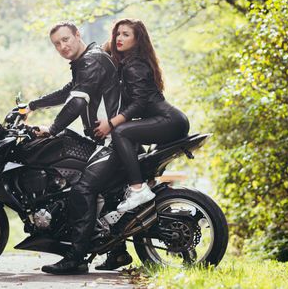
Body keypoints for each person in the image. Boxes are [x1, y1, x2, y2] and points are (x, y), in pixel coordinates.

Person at [26, 22, 123, 275]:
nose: (62, 46)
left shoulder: (92, 61)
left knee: (82, 189)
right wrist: (33, 105)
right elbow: (69, 92)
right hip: (109, 139)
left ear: (78, 35)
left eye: (66, 39)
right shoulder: (86, 62)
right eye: (57, 44)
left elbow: (78, 101)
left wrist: (52, 128)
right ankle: (117, 250)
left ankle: (76, 258)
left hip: (114, 140)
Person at [94, 18, 190, 212]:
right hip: (169, 120)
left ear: (137, 40)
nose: (119, 38)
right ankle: (148, 196)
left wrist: (110, 124)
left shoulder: (134, 66)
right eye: (117, 34)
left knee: (121, 132)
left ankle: (137, 188)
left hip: (169, 121)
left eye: (126, 35)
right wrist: (108, 45)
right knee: (135, 147)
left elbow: (138, 105)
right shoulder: (129, 63)